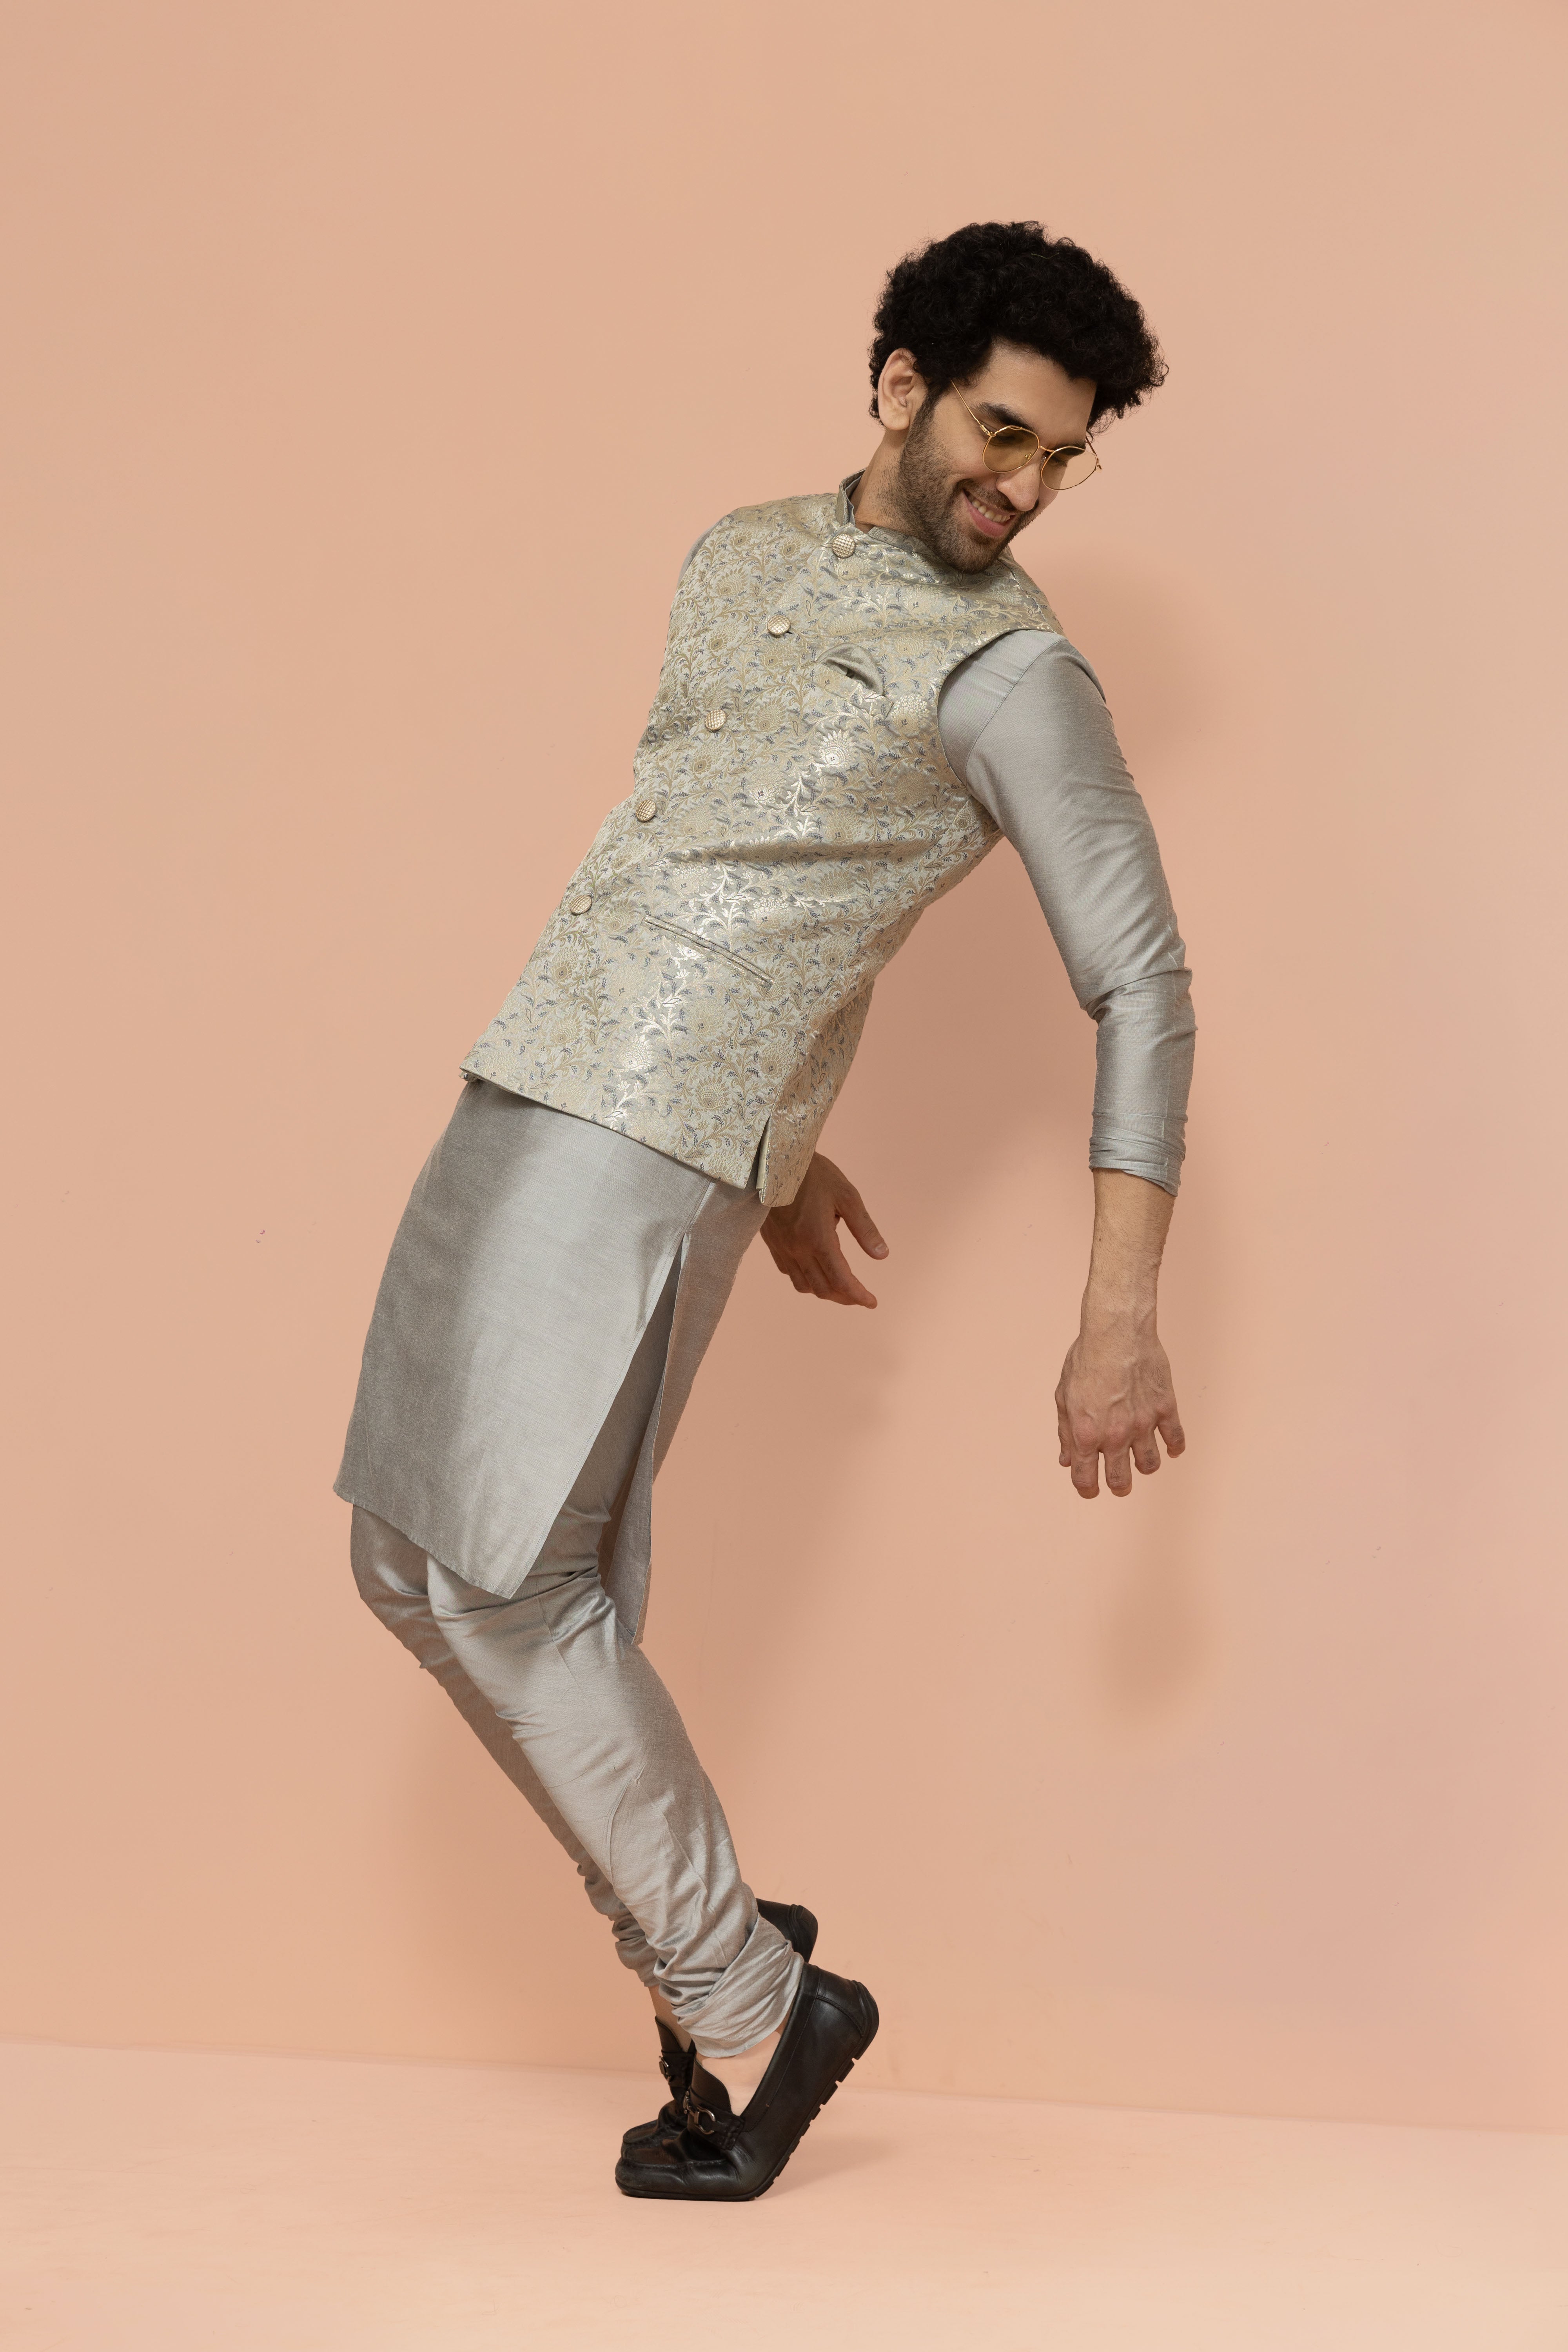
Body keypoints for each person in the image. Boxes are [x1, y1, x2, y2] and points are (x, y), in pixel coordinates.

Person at [336, 219, 1194, 2203]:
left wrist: (1118, 1311)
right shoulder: (737, 553)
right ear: (899, 385)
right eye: (1002, 432)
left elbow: (1142, 982)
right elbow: (740, 865)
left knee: (513, 1587)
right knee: (407, 1562)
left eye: (1064, 457)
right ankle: (718, 1948)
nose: (1025, 485)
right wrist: (793, 1154)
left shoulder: (1011, 670)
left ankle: (749, 1994)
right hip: (531, 1074)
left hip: (638, 1143)